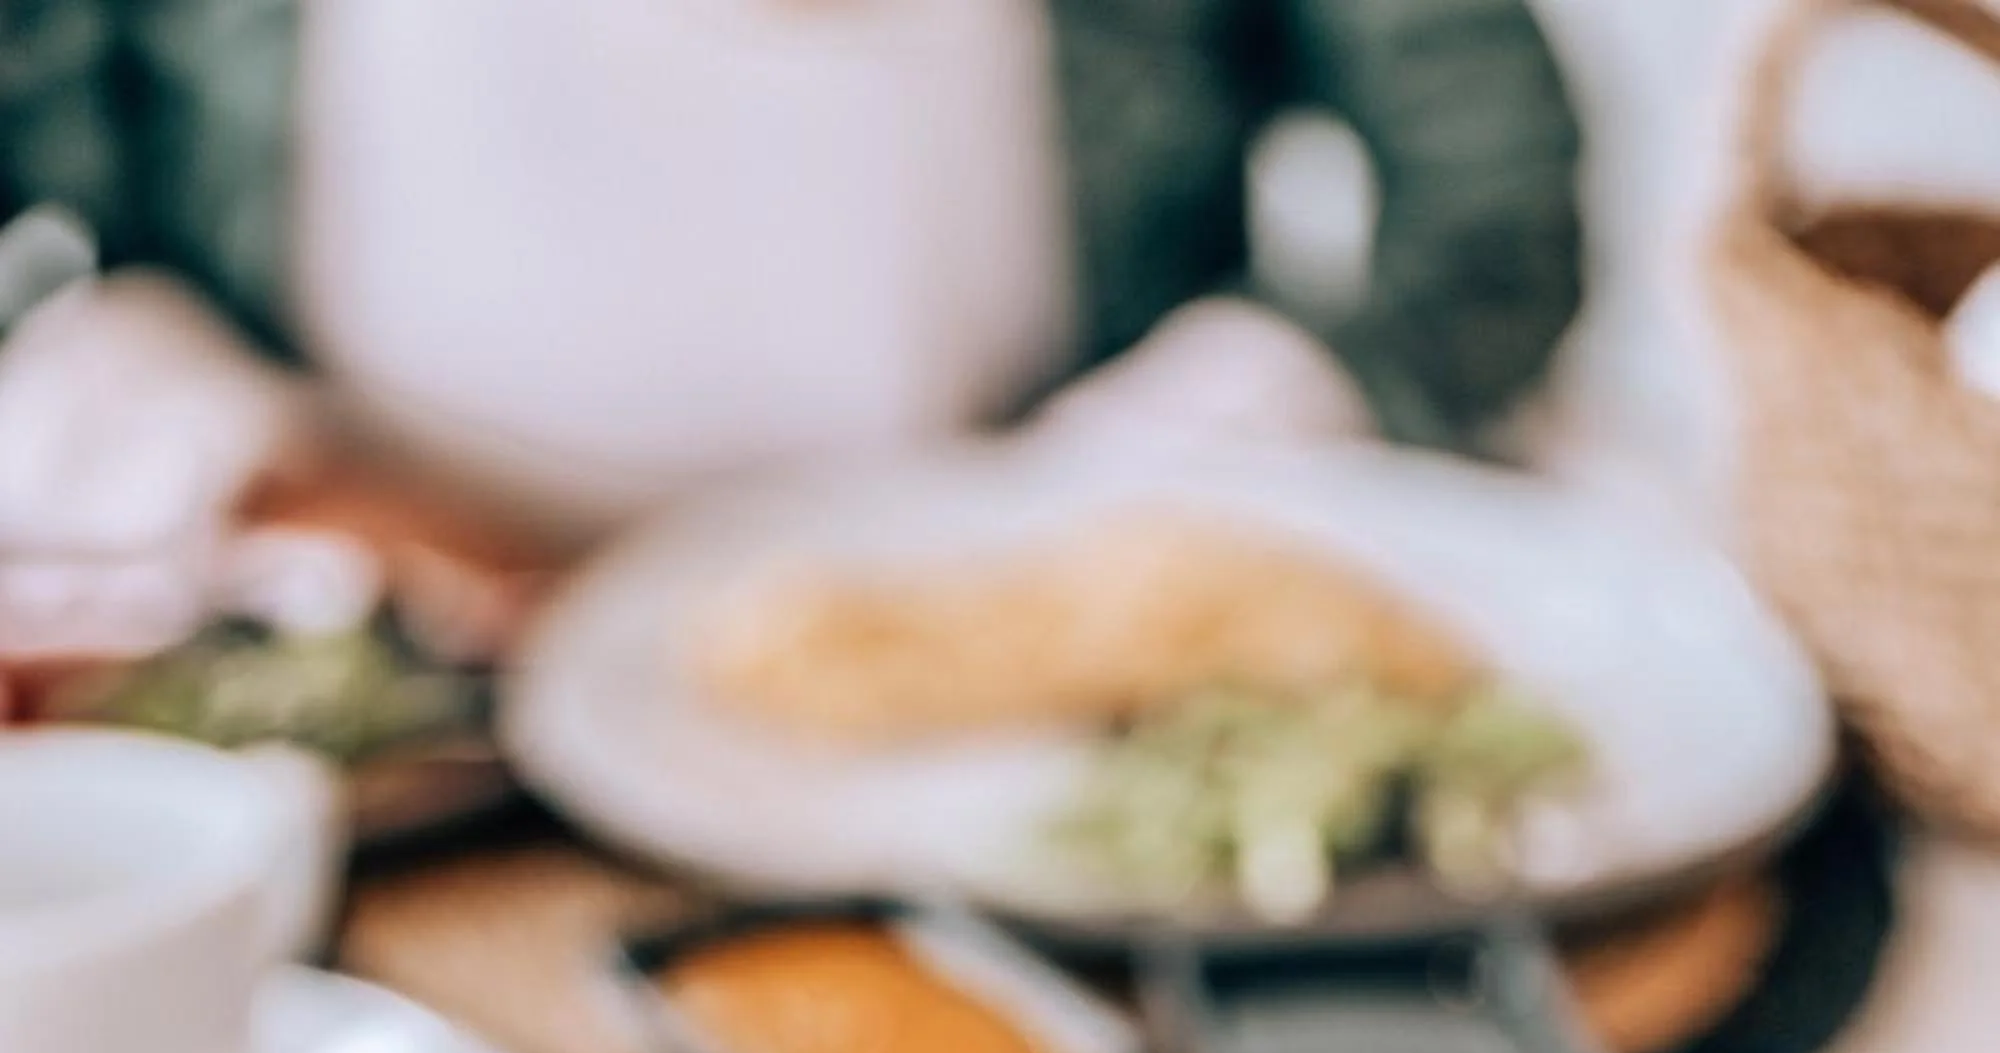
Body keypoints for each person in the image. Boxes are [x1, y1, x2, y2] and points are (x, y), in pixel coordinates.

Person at [0, 0, 1583, 517]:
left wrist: (1268, 395)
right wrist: (113, 347)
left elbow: (1492, 187)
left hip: (1023, 660)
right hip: (367, 648)